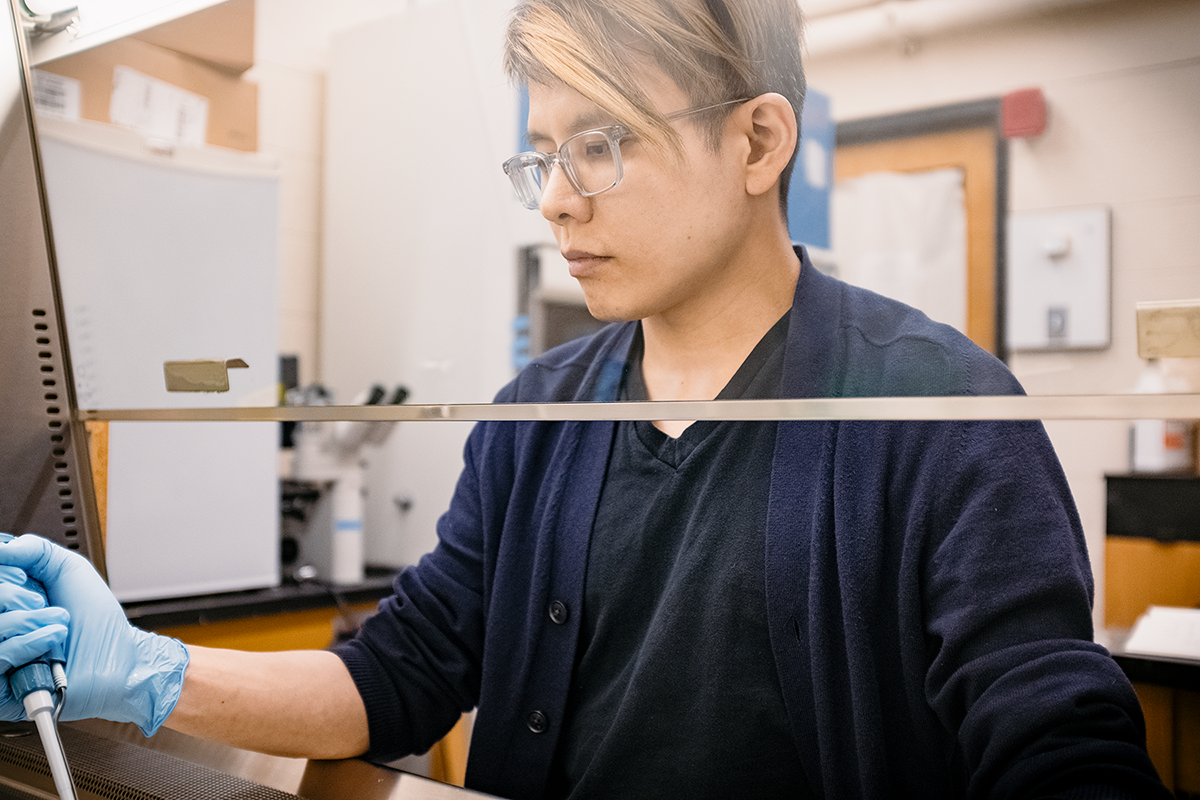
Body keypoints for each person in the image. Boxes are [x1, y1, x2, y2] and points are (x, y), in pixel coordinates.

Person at [0, 1, 1170, 798]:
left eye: (600, 146)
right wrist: (148, 668)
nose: (555, 201)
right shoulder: (541, 415)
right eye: (543, 154)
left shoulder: (943, 413)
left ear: (759, 141)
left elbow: (1058, 737)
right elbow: (397, 676)